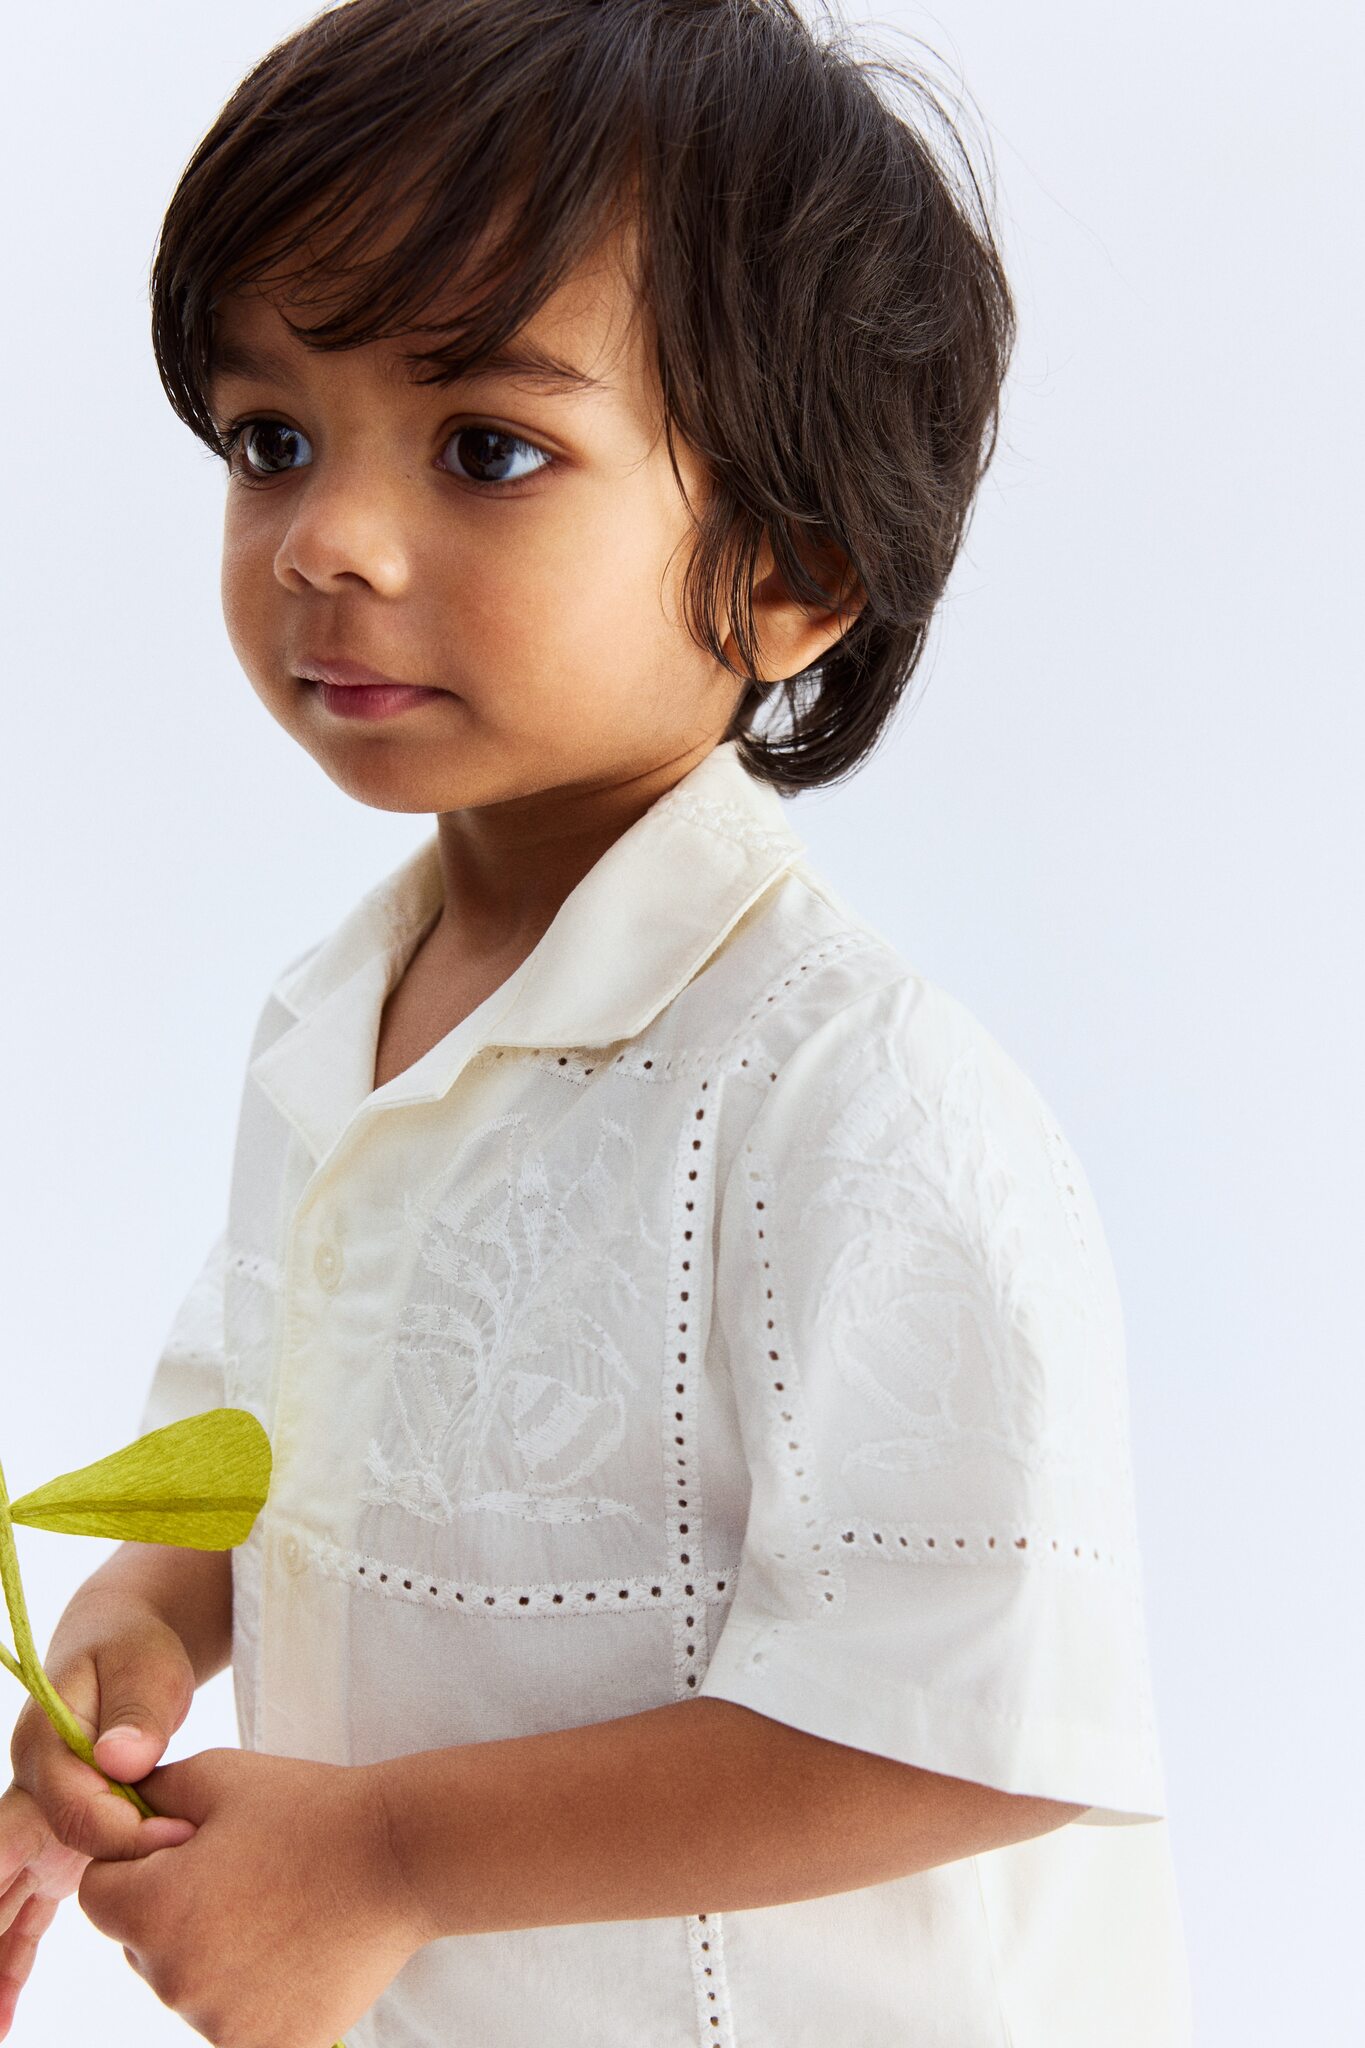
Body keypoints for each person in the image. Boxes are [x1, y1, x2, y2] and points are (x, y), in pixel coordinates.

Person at [0, 0, 1193, 2041]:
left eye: (487, 448)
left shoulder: (847, 1096)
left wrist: (390, 1857)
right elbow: (268, 1430)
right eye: (272, 438)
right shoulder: (331, 1019)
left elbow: (985, 1722)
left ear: (793, 568)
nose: (327, 539)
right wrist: (141, 1614)